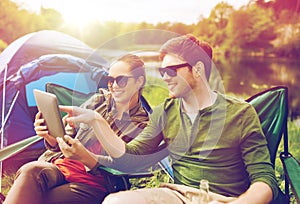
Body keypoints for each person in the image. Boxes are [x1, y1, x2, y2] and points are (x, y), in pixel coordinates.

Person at [59, 34, 279, 204]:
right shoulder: (165, 112)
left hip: (225, 199)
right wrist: (96, 120)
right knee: (115, 202)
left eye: (171, 70)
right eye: (162, 71)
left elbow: (264, 179)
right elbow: (130, 156)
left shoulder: (240, 114)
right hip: (179, 196)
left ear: (198, 69)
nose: (164, 78)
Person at [3, 54, 149, 204]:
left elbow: (123, 167)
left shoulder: (141, 124)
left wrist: (84, 157)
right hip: (62, 168)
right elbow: (68, 136)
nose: (113, 85)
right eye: (110, 80)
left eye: (121, 80)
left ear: (139, 81)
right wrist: (51, 138)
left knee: (38, 198)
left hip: (94, 183)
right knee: (30, 170)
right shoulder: (97, 102)